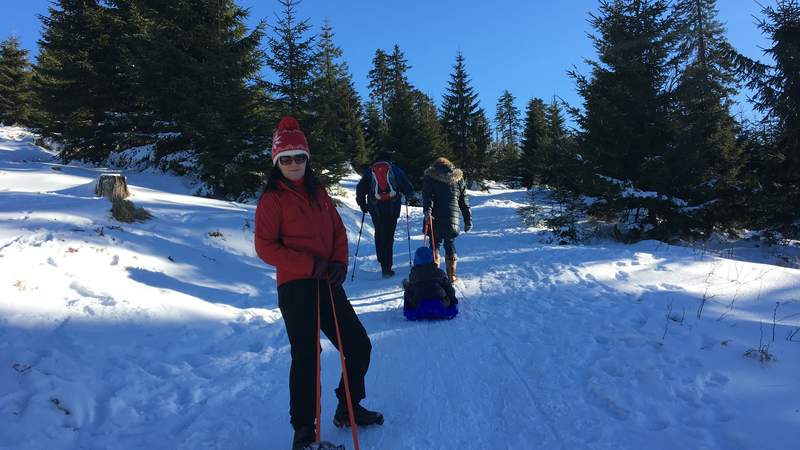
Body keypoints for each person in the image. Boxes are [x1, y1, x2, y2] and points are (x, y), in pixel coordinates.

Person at [255, 117, 383, 450]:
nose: (293, 164)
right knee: (306, 355)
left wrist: (339, 261)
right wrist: (309, 263)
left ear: (307, 159)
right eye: (286, 159)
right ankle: (303, 432)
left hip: (327, 280)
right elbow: (265, 247)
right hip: (296, 285)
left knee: (357, 344)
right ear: (276, 162)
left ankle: (348, 406)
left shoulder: (319, 191)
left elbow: (338, 231)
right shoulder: (272, 199)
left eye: (298, 157)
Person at [355, 152, 415, 278]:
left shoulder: (370, 171)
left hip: (375, 208)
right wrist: (409, 196)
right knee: (389, 235)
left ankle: (382, 261)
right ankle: (387, 268)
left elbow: (360, 189)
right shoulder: (395, 170)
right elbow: (408, 188)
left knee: (379, 232)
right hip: (393, 208)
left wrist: (363, 205)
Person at [422, 157, 472, 283]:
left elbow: (428, 196)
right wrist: (467, 219)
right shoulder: (458, 179)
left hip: (435, 217)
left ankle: (434, 273)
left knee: (434, 244)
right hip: (452, 219)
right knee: (449, 242)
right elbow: (464, 202)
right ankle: (452, 275)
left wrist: (427, 211)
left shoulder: (430, 177)